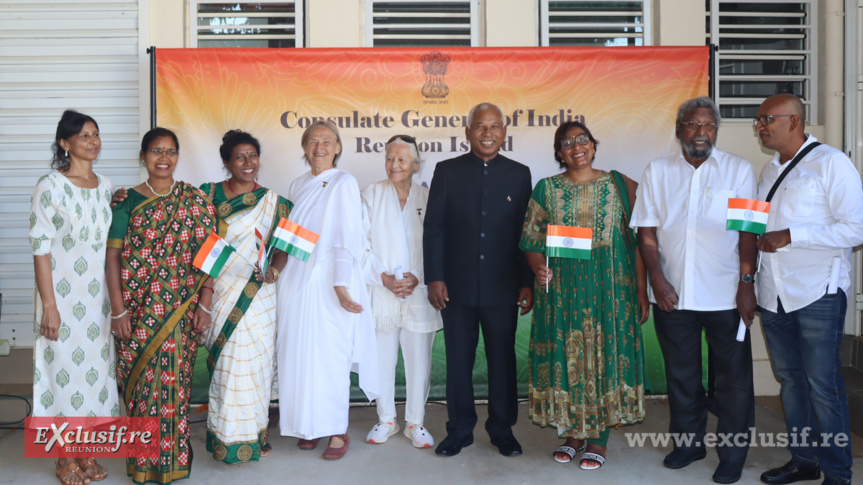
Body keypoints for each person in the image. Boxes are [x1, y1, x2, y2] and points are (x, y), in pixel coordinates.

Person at [630, 96, 757, 484]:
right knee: (682, 376)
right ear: (679, 129)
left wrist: (746, 282)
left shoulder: (739, 169)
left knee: (733, 381)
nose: (701, 133)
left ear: (716, 131)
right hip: (673, 295)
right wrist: (658, 280)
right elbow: (647, 232)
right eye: (693, 125)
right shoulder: (658, 171)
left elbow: (749, 231)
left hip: (725, 295)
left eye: (709, 126)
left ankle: (732, 456)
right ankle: (688, 445)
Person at [520, 121, 649, 470]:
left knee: (604, 356)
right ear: (559, 153)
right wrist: (538, 269)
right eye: (567, 143)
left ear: (593, 144)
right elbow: (532, 240)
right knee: (569, 358)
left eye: (582, 140)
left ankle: (599, 438)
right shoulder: (546, 188)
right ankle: (574, 434)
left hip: (611, 292)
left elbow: (640, 241)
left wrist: (641, 289)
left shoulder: (621, 185)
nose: (576, 147)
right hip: (562, 294)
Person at [754, 94, 862, 485]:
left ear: (794, 121)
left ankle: (837, 473)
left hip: (818, 292)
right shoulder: (768, 170)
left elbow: (855, 229)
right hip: (774, 294)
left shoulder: (831, 163)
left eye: (766, 119)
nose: (760, 126)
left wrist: (792, 235)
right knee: (792, 381)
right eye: (759, 120)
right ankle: (804, 460)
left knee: (824, 385)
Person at [106, 127, 220, 484]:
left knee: (176, 387)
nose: (163, 158)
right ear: (143, 156)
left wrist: (205, 305)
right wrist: (118, 310)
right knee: (141, 389)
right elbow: (113, 259)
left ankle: (173, 462)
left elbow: (211, 256)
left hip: (181, 313)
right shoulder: (125, 201)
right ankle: (143, 464)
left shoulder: (195, 201)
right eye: (156, 150)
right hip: (137, 314)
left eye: (170, 151)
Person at [424, 102, 534, 458]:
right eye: (480, 126)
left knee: (502, 361)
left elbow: (525, 234)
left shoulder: (519, 174)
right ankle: (458, 431)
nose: (488, 133)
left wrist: (526, 283)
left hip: (503, 287)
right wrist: (435, 278)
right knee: (458, 361)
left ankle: (502, 430)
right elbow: (435, 228)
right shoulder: (447, 170)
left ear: (504, 132)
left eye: (494, 126)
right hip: (455, 288)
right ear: (467, 131)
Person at [275, 119, 379, 460]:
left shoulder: (343, 183)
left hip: (329, 282)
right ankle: (309, 427)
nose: (319, 146)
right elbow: (291, 236)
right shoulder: (298, 183)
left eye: (327, 141)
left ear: (337, 147)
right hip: (295, 280)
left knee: (329, 357)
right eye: (313, 141)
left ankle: (337, 431)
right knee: (298, 354)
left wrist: (340, 285)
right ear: (305, 148)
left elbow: (345, 238)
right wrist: (276, 271)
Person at [30, 110, 119, 485]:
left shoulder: (107, 187)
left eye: (96, 134)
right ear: (64, 144)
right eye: (83, 135)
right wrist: (49, 306)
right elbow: (40, 249)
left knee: (95, 375)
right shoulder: (50, 186)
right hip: (61, 299)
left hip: (97, 302)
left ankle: (85, 449)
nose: (92, 141)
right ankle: (64, 456)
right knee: (61, 373)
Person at [200, 130, 293, 464]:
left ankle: (256, 435)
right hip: (220, 293)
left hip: (260, 296)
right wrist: (205, 298)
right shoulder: (207, 196)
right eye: (239, 157)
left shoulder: (276, 202)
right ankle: (224, 437)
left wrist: (273, 273)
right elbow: (202, 248)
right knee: (228, 367)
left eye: (253, 155)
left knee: (256, 369)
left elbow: (283, 249)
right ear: (226, 162)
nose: (248, 163)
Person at [361, 135, 442, 448]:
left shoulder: (429, 198)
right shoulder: (371, 194)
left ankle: (415, 423)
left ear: (416, 166)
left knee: (418, 360)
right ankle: (385, 420)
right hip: (382, 293)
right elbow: (360, 245)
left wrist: (416, 276)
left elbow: (437, 244)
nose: (394, 165)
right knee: (382, 360)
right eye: (389, 159)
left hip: (418, 292)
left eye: (402, 160)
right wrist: (383, 277)